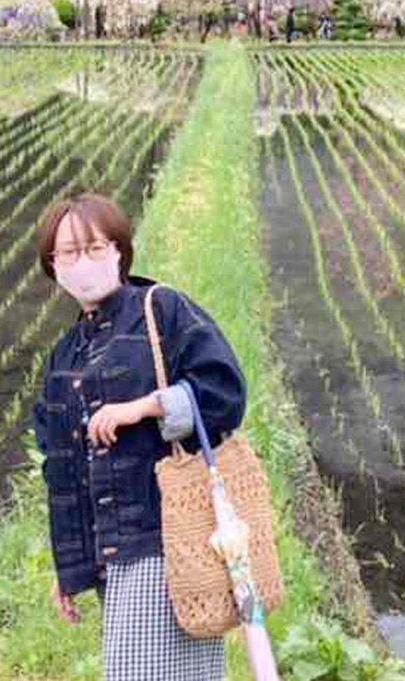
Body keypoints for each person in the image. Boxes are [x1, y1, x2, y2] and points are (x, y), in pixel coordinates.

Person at [30, 194, 248, 681]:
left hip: (168, 537)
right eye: (66, 254)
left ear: (119, 251)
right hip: (111, 554)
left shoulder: (161, 310)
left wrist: (143, 407)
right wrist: (70, 570)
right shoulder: (65, 356)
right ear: (52, 265)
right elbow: (61, 471)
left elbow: (224, 391)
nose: (81, 263)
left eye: (93, 248)